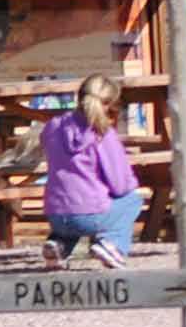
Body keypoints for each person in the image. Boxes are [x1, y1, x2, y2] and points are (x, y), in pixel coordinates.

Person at [40, 74, 145, 269]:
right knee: (132, 199)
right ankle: (112, 245)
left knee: (73, 210)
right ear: (109, 104)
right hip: (90, 215)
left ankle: (58, 245)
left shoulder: (53, 126)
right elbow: (120, 185)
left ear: (79, 96)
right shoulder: (102, 134)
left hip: (55, 214)